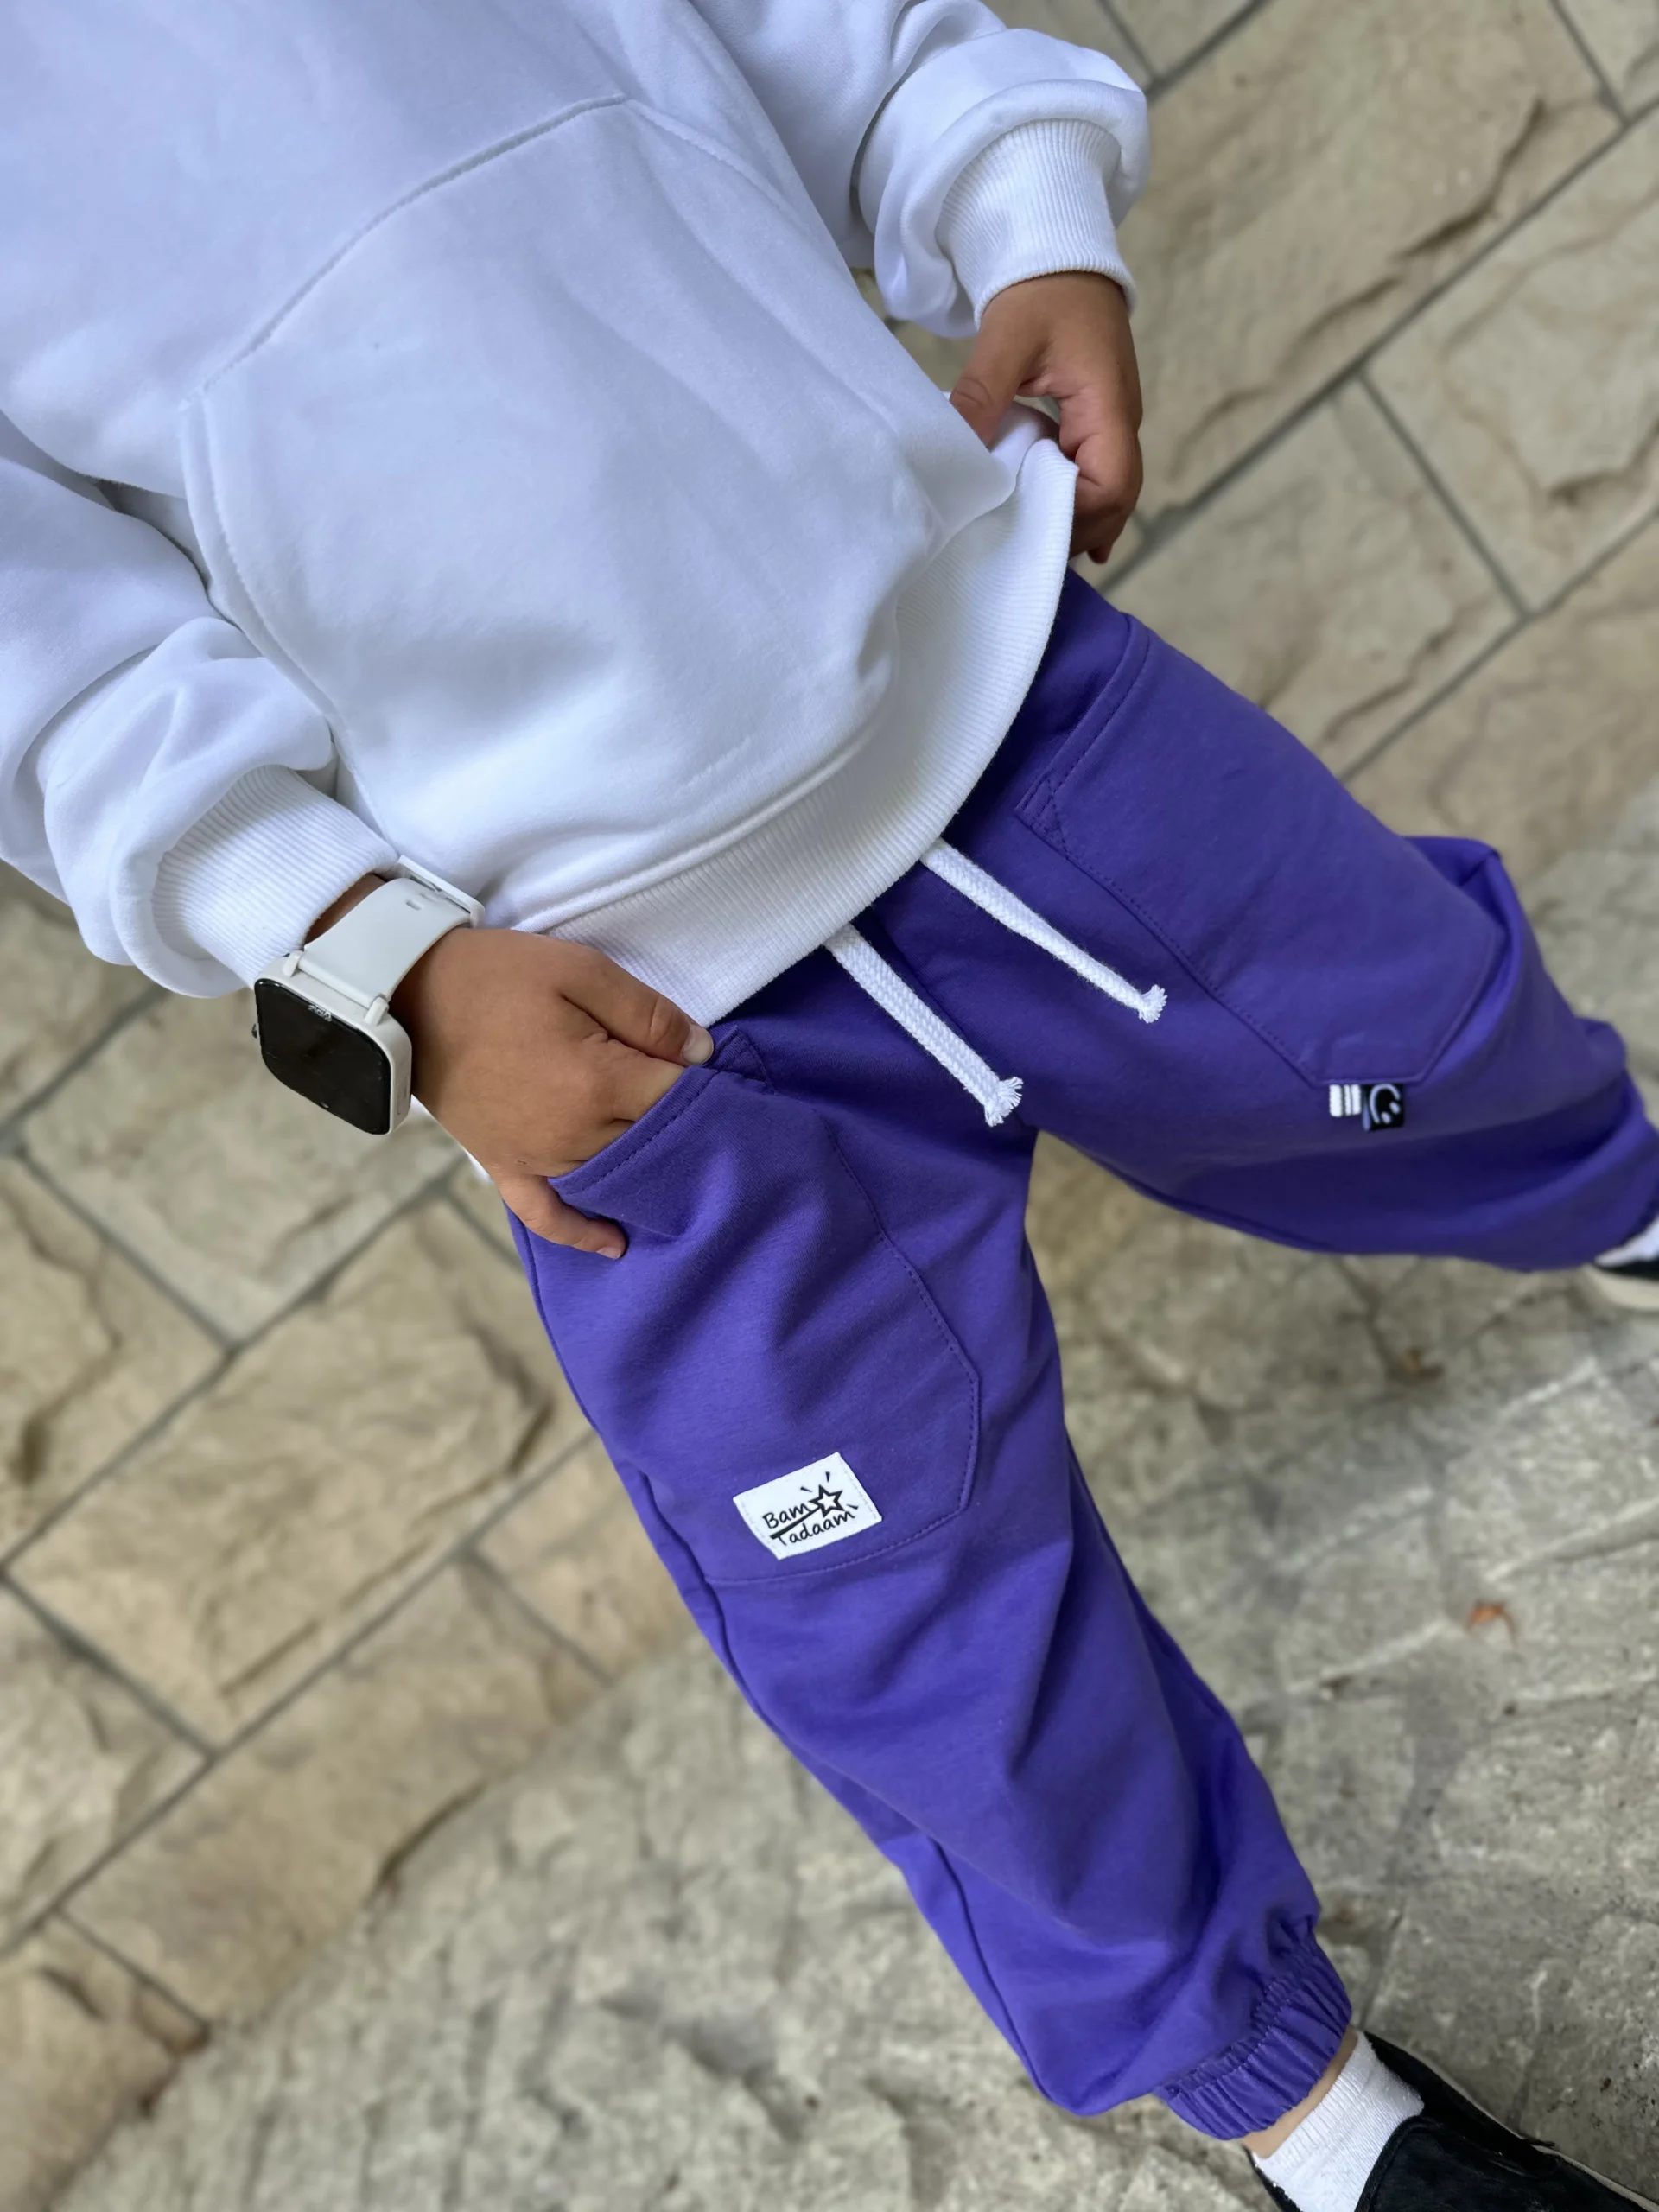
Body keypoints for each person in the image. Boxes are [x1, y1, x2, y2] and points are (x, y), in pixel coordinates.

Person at [3, 4, 1654, 2204]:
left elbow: (810, 25)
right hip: (615, 1005)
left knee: (1413, 1026)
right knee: (915, 1615)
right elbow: (42, 659)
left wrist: (1015, 199)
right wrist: (363, 949)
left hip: (995, 688)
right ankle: (1319, 2115)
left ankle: (1622, 1196)